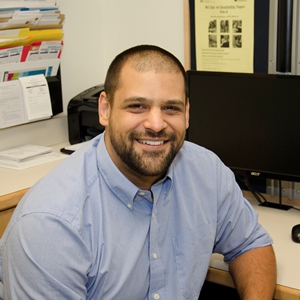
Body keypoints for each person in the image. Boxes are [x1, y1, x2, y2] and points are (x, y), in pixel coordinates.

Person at [0, 45, 276, 299]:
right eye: (137, 106)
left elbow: (250, 244)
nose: (156, 124)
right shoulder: (50, 226)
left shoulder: (206, 171)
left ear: (187, 113)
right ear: (105, 109)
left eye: (171, 108)